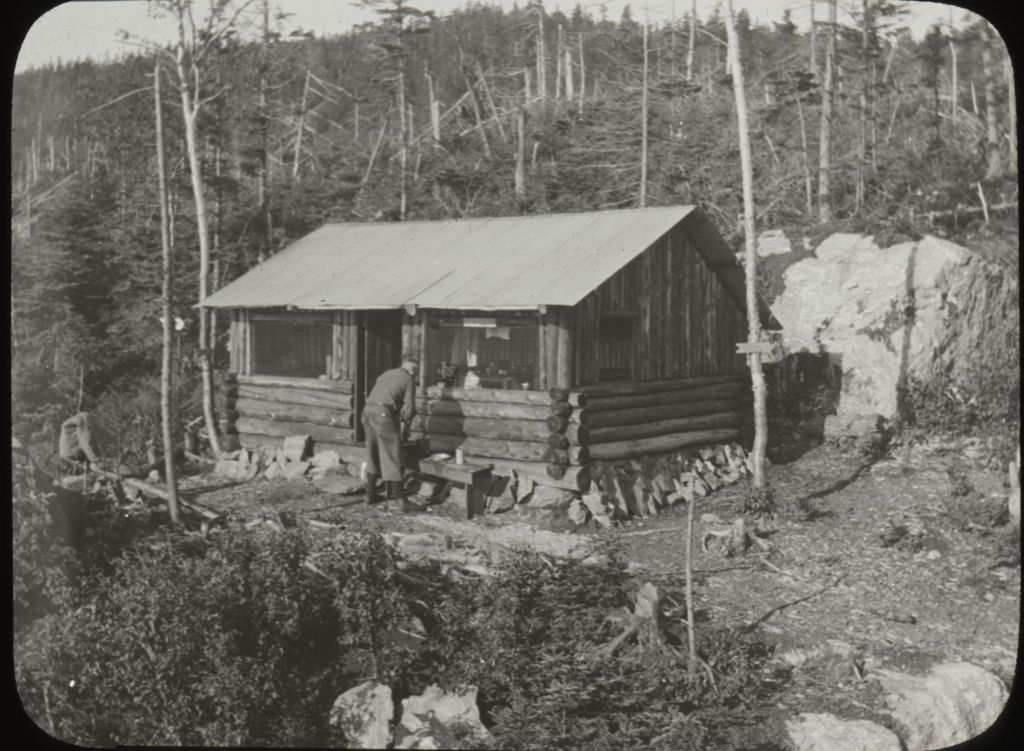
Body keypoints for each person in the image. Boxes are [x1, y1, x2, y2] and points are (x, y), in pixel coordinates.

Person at [362, 354, 425, 512]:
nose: (415, 376)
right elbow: (408, 411)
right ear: (413, 368)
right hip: (382, 415)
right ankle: (402, 502)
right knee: (394, 455)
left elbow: (384, 400)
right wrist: (405, 433)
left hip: (367, 413)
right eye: (416, 373)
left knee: (373, 453)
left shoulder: (386, 374)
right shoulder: (408, 379)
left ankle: (369, 495)